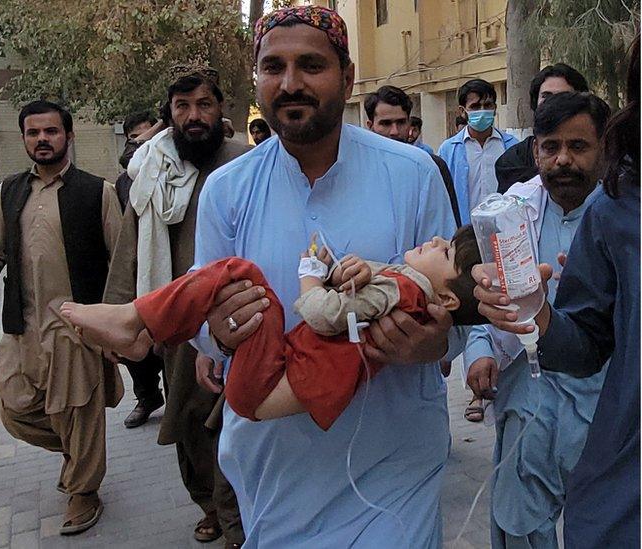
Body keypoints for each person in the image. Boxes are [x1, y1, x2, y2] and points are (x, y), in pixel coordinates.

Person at [187, 7, 461, 546]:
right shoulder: (227, 188)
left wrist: (433, 344)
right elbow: (204, 326)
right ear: (257, 78)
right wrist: (218, 331)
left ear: (348, 75)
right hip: (275, 470)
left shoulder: (412, 174)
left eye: (311, 65)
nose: (290, 84)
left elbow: (457, 310)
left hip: (394, 465)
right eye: (274, 67)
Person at [63, 225, 483, 429]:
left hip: (261, 387)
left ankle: (134, 321)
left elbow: (321, 313)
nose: (434, 241)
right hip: (265, 386)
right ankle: (140, 332)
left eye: (444, 251)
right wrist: (354, 269)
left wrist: (310, 271)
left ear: (447, 298)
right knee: (233, 278)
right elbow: (370, 293)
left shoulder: (402, 291)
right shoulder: (409, 293)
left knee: (238, 271)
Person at [472, 36, 639, 549]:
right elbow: (584, 336)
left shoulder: (604, 207)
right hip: (547, 403)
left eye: (578, 146)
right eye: (551, 147)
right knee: (521, 520)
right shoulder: (610, 213)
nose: (563, 160)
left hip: (600, 412)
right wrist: (535, 314)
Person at [104, 65, 250, 546]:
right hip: (182, 320)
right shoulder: (154, 170)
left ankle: (240, 514)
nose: (193, 116)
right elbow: (131, 246)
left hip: (245, 311)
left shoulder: (244, 160)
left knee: (245, 415)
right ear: (169, 112)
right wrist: (120, 317)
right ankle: (209, 503)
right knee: (189, 416)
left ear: (221, 109)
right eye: (182, 106)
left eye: (203, 104)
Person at [0, 100, 123, 535]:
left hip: (76, 325)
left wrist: (117, 325)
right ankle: (81, 455)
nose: (42, 139)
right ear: (24, 139)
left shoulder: (97, 192)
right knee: (15, 409)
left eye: (51, 131)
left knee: (78, 408)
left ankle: (83, 490)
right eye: (33, 133)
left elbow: (120, 262)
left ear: (68, 136)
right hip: (24, 324)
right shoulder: (10, 190)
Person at [113, 110, 167, 429]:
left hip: (177, 270)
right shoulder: (123, 182)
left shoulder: (179, 172)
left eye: (152, 133)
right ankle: (147, 397)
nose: (147, 141)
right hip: (139, 271)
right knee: (134, 342)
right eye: (137, 137)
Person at [364, 86, 461, 226]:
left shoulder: (432, 167)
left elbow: (450, 226)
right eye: (386, 123)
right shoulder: (359, 169)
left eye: (401, 122)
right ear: (370, 125)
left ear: (409, 123)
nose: (394, 131)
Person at [495, 64, 590, 192]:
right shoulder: (512, 161)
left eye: (563, 96)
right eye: (546, 96)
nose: (563, 159)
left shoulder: (600, 153)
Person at [439, 78, 519, 225]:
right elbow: (442, 197)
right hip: (465, 230)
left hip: (505, 229)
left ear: (494, 109)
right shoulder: (449, 150)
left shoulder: (512, 146)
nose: (482, 111)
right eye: (475, 106)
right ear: (463, 112)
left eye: (487, 105)